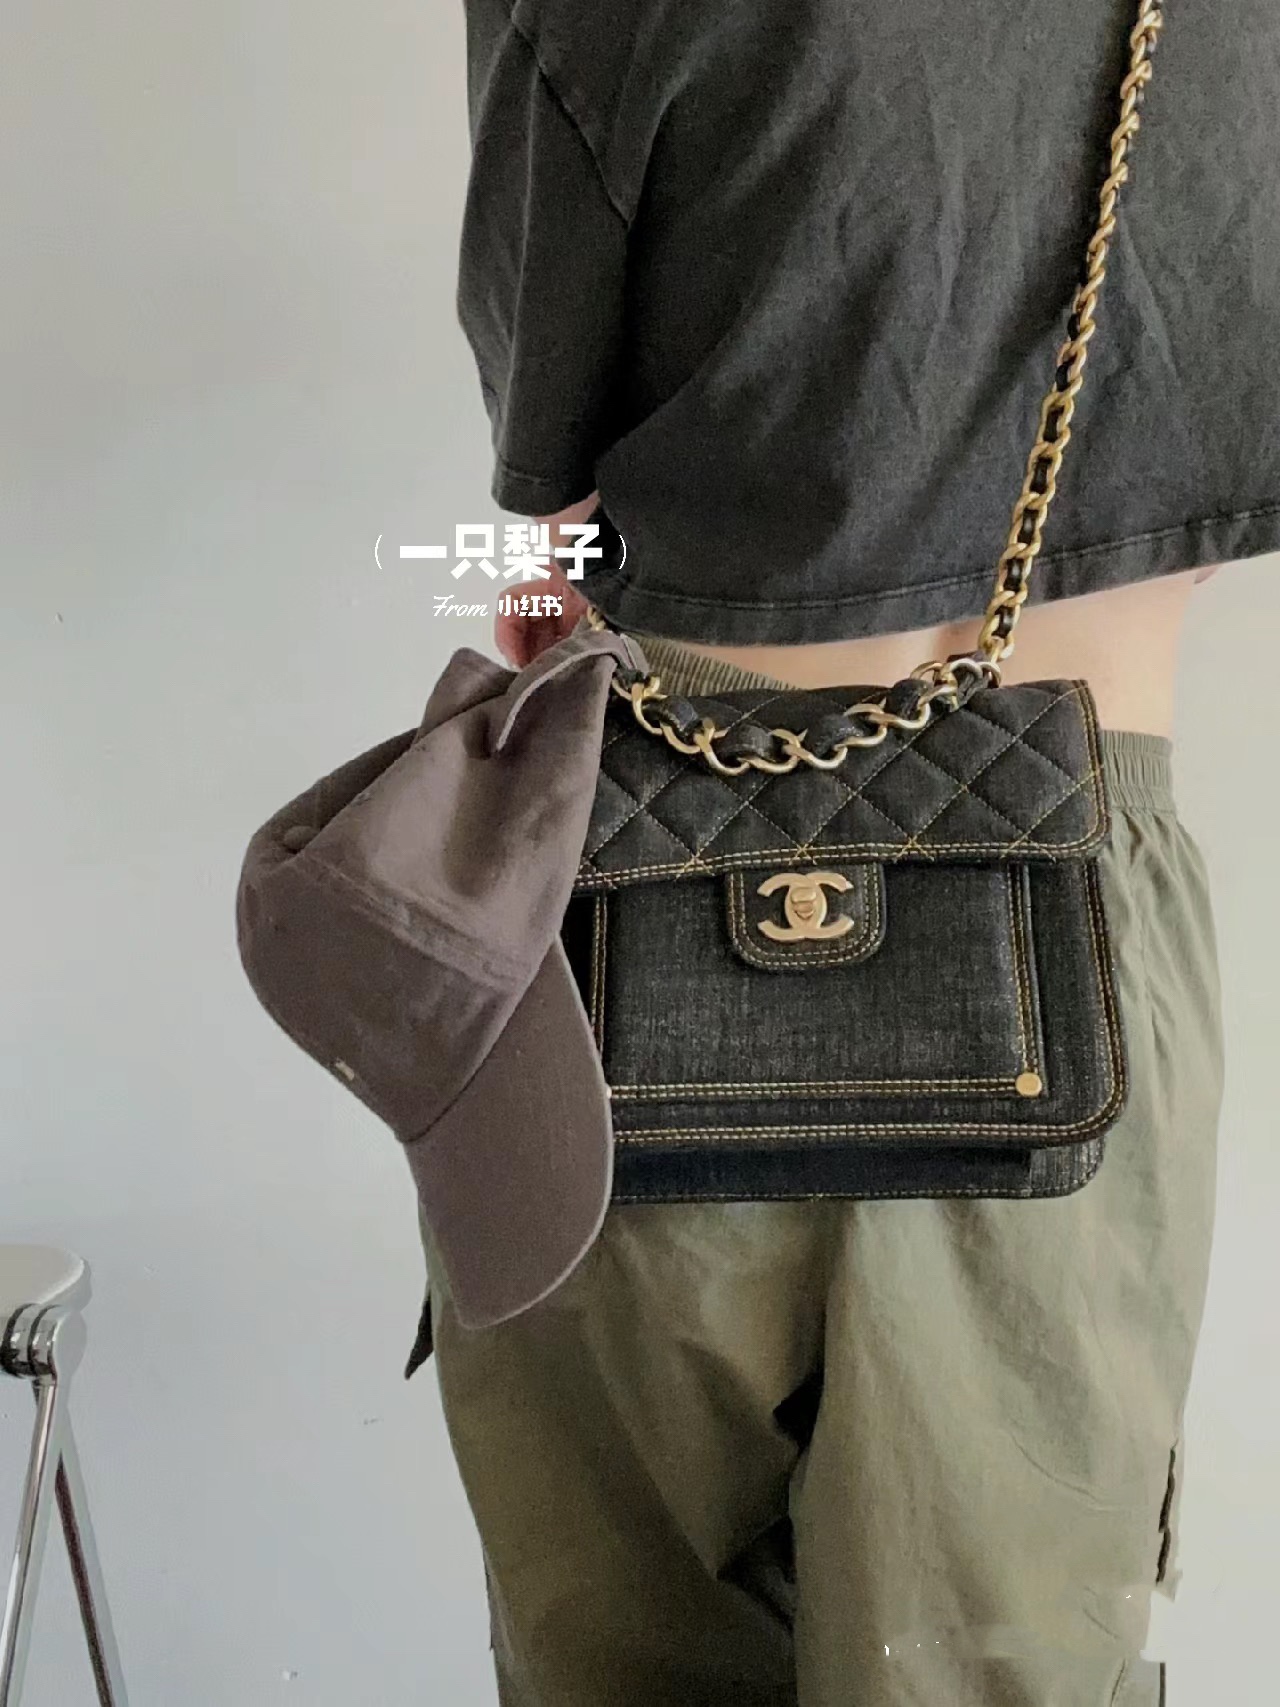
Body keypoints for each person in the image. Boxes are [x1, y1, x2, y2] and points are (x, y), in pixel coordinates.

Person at [419, 2, 1278, 1702]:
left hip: (636, 889)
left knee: (621, 1653)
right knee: (1007, 1660)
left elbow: (551, 475)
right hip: (1067, 900)